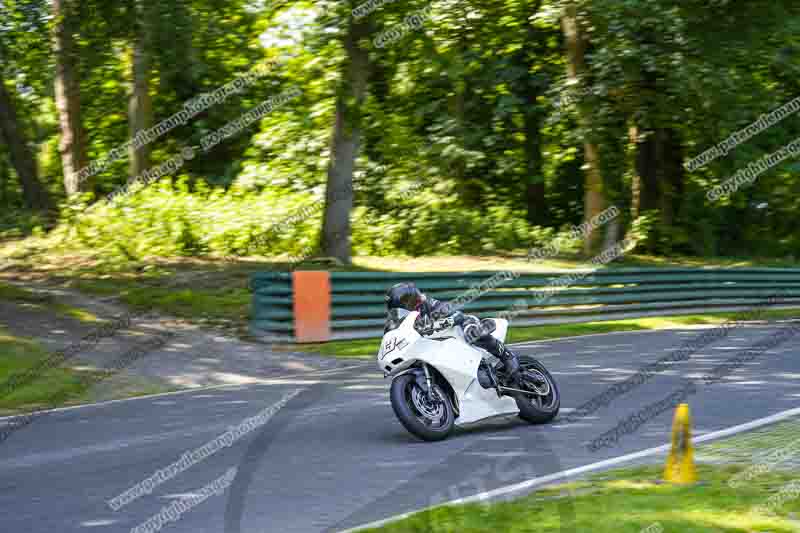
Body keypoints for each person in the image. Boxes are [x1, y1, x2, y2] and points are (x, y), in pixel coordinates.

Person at [384, 282, 521, 382]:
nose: (406, 306)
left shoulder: (429, 304)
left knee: (470, 330)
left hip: (455, 330)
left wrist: (448, 319)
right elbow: (392, 338)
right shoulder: (397, 322)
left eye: (407, 301)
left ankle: (506, 356)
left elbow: (452, 312)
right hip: (433, 349)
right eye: (402, 304)